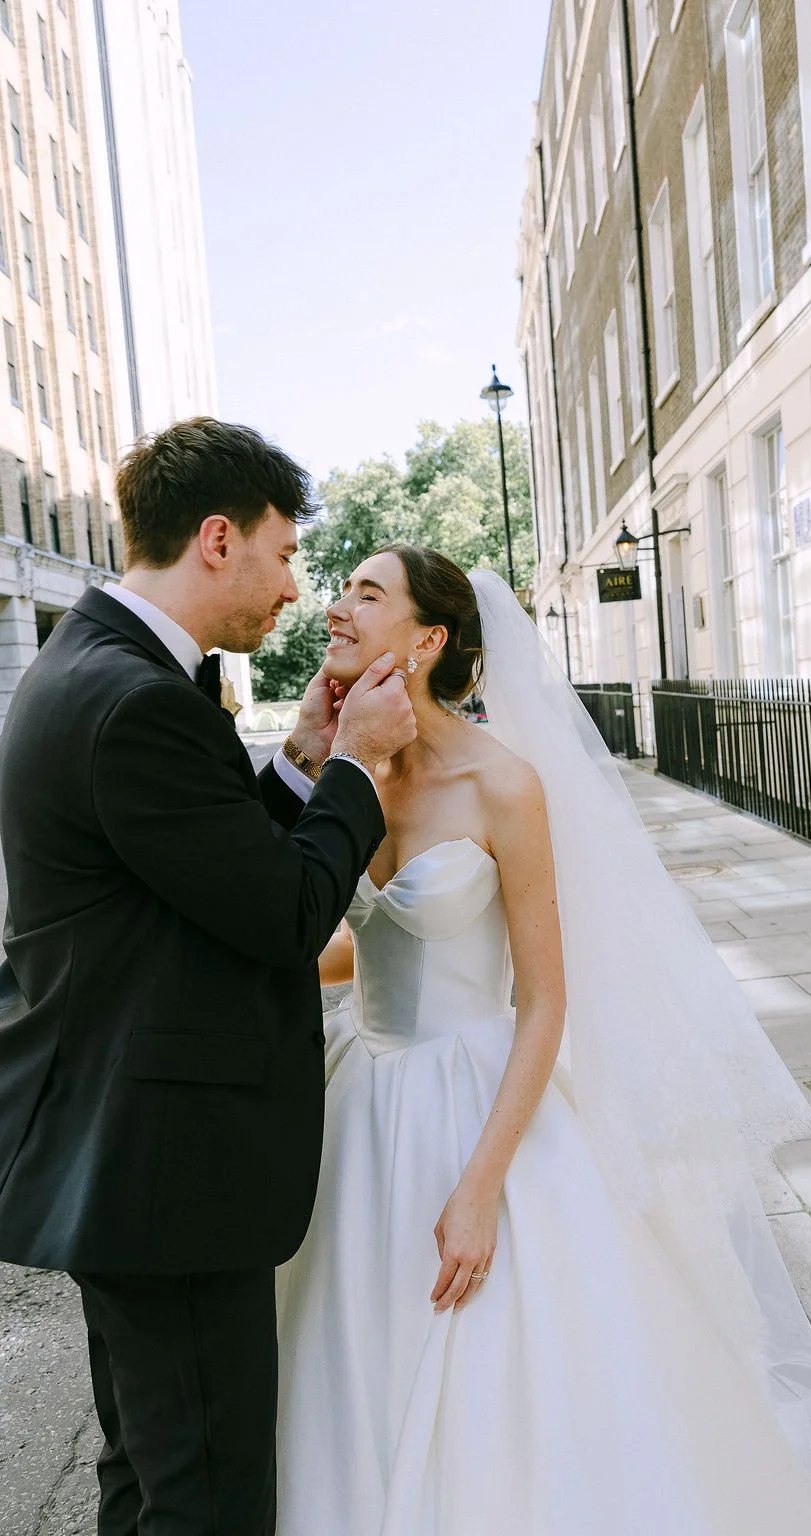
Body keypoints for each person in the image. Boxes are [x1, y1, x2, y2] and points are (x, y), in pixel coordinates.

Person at [276, 544, 811, 1535]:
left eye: (364, 594)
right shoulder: (352, 769)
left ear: (427, 639)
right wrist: (309, 763)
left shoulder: (504, 782)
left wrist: (477, 1188)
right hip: (361, 1100)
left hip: (478, 1104)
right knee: (348, 1347)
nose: (334, 608)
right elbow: (338, 940)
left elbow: (545, 1001)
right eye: (337, 592)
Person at [0, 419, 416, 1536]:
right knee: (208, 1493)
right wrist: (366, 766)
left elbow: (197, 871)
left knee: (148, 1469)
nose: (296, 589)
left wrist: (297, 768)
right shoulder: (135, 698)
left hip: (122, 1152)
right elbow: (281, 913)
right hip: (164, 1169)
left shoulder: (99, 668)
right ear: (221, 539)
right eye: (285, 555)